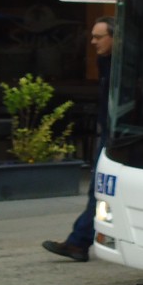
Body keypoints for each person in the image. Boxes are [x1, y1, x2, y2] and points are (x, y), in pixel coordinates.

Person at [42, 16, 113, 262]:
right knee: (100, 191)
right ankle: (79, 242)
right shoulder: (106, 62)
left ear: (115, 38)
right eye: (92, 37)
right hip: (110, 133)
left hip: (116, 137)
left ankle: (78, 242)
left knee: (100, 190)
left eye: (98, 37)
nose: (93, 42)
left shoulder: (121, 66)